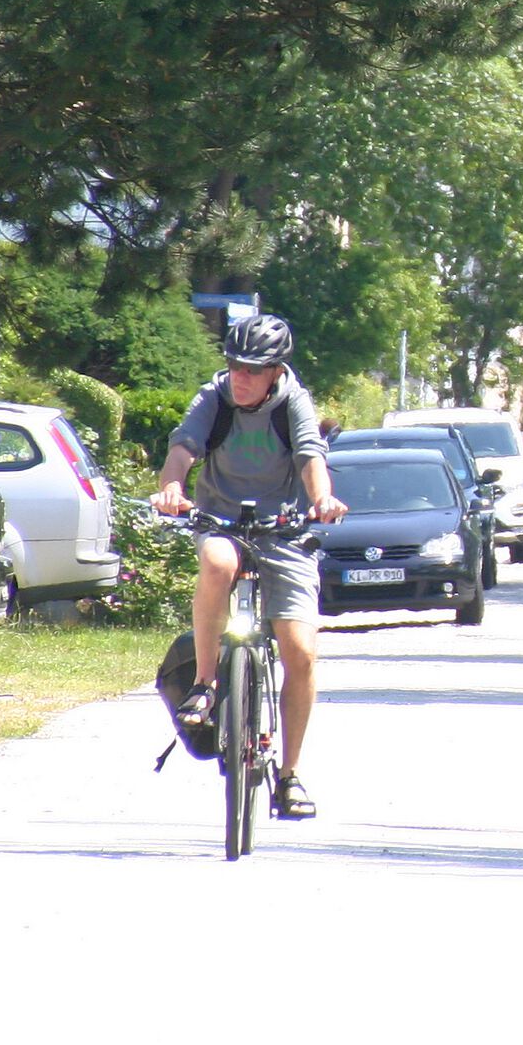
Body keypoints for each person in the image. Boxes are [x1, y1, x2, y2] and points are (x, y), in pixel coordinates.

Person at [154, 313, 347, 819]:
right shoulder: (214, 397)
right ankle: (204, 684)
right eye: (235, 365)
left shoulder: (293, 401)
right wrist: (172, 487)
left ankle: (289, 777)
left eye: (253, 370)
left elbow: (310, 455)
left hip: (284, 529)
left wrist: (322, 499)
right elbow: (183, 447)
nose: (241, 377)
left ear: (276, 372)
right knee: (217, 561)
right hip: (221, 519)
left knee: (300, 652)